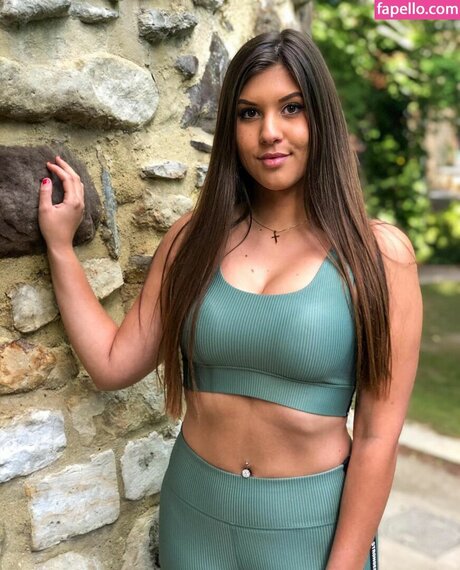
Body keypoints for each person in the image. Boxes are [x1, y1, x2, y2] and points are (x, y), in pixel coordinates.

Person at [38, 29, 423, 570]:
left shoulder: (379, 256)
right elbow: (112, 362)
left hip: (309, 530)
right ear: (230, 128)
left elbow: (379, 437)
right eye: (248, 113)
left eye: (292, 108)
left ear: (321, 119)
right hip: (194, 518)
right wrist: (60, 249)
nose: (270, 132)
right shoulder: (193, 238)